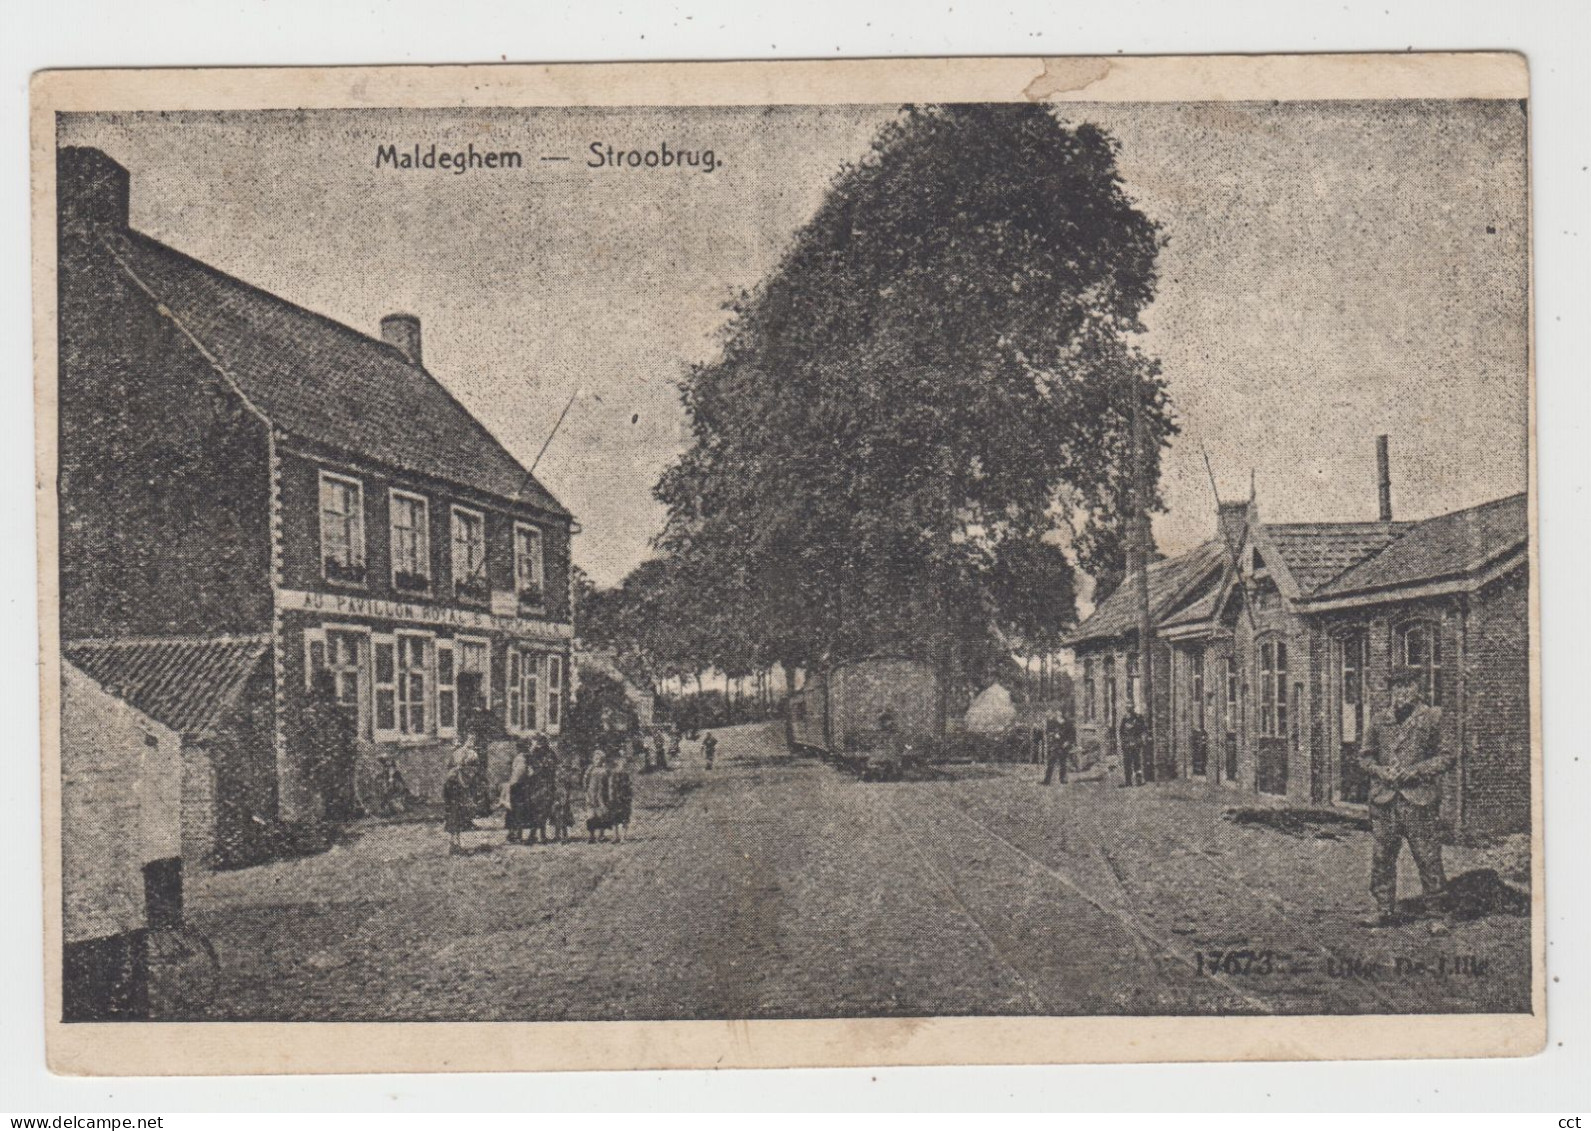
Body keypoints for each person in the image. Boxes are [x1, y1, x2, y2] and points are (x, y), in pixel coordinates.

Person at [1358, 668, 1454, 927]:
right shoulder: (1380, 720)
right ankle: (1384, 909)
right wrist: (1381, 771)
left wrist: (1415, 771)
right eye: (1397, 687)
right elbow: (1365, 757)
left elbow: (1447, 756)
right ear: (1391, 690)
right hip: (1385, 800)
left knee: (1427, 857)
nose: (1402, 692)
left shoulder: (1433, 718)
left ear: (1418, 689)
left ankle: (1436, 914)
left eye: (1408, 686)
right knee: (1382, 857)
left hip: (1418, 799)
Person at [304, 671, 360, 823]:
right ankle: (335, 818)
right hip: (330, 755)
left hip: (334, 755)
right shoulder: (317, 712)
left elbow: (350, 731)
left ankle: (337, 818)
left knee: (334, 789)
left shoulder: (332, 710)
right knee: (331, 789)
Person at [443, 730, 480, 856]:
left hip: (455, 785)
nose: (472, 742)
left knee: (456, 814)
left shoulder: (459, 753)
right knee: (455, 814)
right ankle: (454, 844)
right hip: (456, 786)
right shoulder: (470, 754)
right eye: (470, 739)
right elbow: (470, 772)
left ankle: (455, 843)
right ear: (465, 740)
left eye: (473, 740)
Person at [528, 734, 558, 844]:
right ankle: (534, 834)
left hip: (545, 784)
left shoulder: (549, 754)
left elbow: (552, 767)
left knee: (543, 810)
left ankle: (541, 835)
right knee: (536, 810)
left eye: (539, 742)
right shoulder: (533, 754)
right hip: (535, 785)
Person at [504, 741, 533, 845]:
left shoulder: (521, 759)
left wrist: (511, 784)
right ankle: (515, 834)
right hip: (521, 787)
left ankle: (516, 835)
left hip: (517, 787)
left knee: (516, 812)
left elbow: (519, 775)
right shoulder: (524, 758)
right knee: (518, 812)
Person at [584, 748, 613, 842]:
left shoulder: (605, 770)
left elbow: (609, 782)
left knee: (602, 815)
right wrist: (586, 791)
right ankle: (591, 836)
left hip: (602, 795)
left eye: (599, 759)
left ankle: (601, 835)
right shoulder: (590, 769)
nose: (597, 761)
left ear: (603, 760)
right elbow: (585, 781)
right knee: (591, 816)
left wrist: (609, 794)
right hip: (591, 794)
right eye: (595, 759)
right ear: (593, 759)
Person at [606, 750, 634, 843]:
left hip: (624, 799)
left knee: (625, 818)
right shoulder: (612, 775)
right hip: (614, 799)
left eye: (623, 764)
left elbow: (629, 787)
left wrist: (629, 797)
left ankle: (623, 837)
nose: (622, 766)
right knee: (614, 818)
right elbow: (610, 787)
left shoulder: (626, 775)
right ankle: (615, 836)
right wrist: (610, 797)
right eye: (620, 763)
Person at [1042, 714, 1076, 785]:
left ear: (1062, 718)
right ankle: (1047, 780)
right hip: (1056, 746)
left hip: (1064, 747)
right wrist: (1054, 736)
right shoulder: (1057, 726)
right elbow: (1052, 734)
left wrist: (1067, 743)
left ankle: (1063, 779)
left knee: (1063, 763)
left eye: (1058, 718)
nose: (1057, 720)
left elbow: (1072, 737)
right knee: (1051, 762)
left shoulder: (1069, 726)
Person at [1118, 707, 1148, 787]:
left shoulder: (1139, 718)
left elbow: (1144, 729)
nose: (1129, 710)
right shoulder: (1125, 718)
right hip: (1127, 744)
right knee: (1127, 764)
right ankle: (1128, 782)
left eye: (1130, 707)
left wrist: (1141, 740)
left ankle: (1138, 781)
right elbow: (1121, 732)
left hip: (1136, 744)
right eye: (1128, 707)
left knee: (1137, 763)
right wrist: (1124, 742)